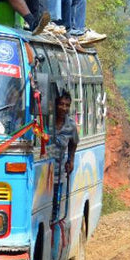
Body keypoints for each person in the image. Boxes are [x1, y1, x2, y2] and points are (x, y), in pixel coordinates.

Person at [51, 90, 79, 221]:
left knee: (55, 213)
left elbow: (73, 143)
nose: (64, 108)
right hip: (42, 177)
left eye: (67, 105)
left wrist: (71, 160)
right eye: (61, 104)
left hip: (57, 176)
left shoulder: (71, 126)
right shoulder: (45, 123)